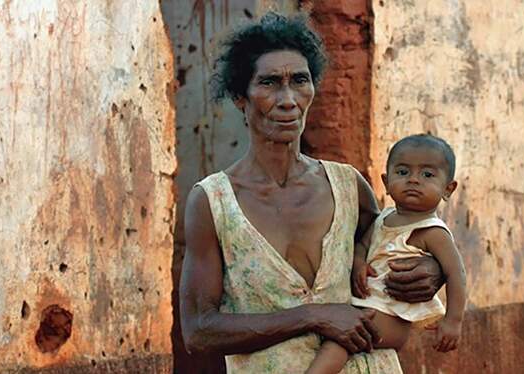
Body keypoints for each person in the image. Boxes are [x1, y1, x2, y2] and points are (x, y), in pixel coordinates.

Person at [179, 12, 445, 373]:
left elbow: (403, 242)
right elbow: (198, 331)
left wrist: (433, 269)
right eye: (270, 83)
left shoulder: (348, 186)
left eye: (299, 81)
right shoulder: (214, 203)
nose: (288, 99)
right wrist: (314, 316)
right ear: (241, 97)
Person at [306, 134, 467, 374]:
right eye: (402, 172)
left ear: (448, 189)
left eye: (427, 175)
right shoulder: (383, 218)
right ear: (386, 181)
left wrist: (453, 321)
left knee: (341, 341)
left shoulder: (433, 232)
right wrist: (359, 263)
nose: (413, 180)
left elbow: (456, 274)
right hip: (365, 305)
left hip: (391, 316)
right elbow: (362, 245)